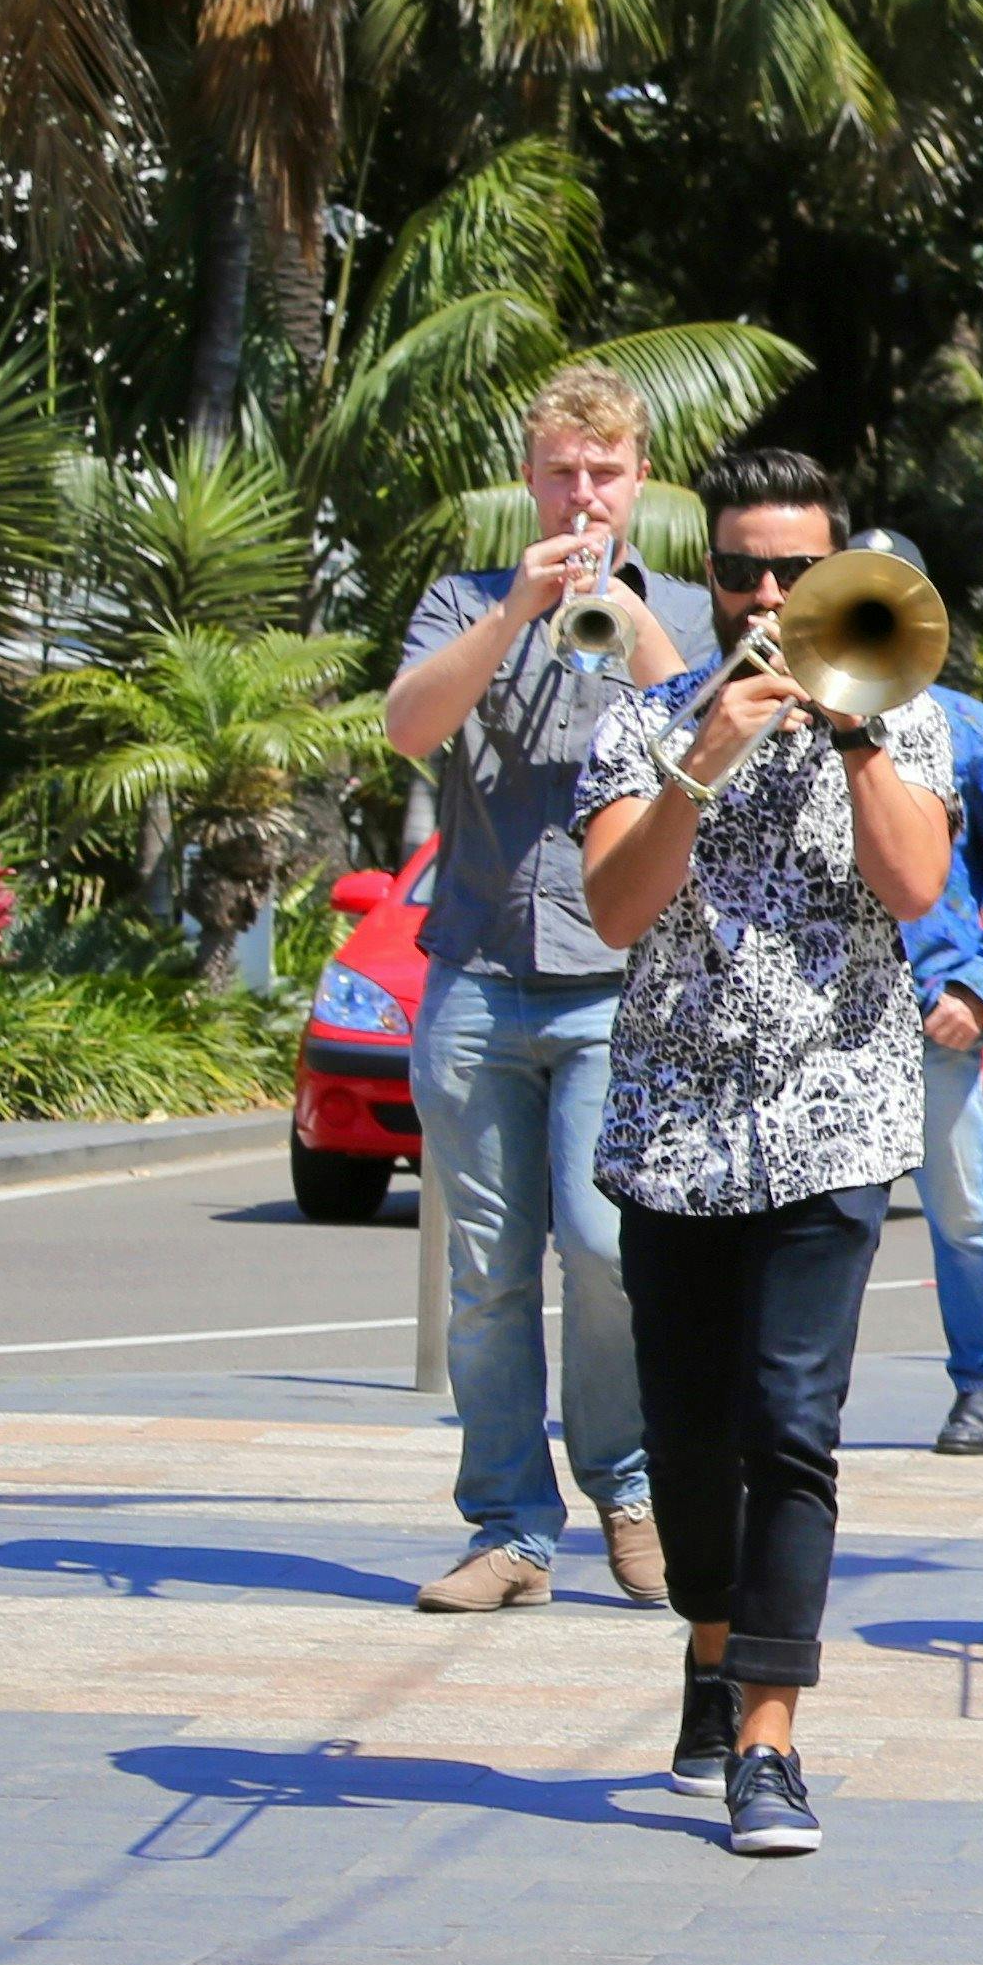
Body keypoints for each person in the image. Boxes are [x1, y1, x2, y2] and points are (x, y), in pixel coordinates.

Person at [574, 446, 953, 1855]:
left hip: (835, 1116)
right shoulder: (642, 725)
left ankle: (769, 1737)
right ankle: (711, 1642)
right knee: (687, 1445)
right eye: (745, 569)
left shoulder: (907, 724)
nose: (772, 594)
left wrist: (850, 727)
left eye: (801, 571)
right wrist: (705, 754)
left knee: (794, 1426)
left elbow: (916, 886)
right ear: (712, 574)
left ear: (839, 572)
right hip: (674, 1128)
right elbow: (616, 910)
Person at [384, 364, 708, 1613]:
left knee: (607, 1244)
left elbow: (705, 733)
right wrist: (514, 611)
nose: (583, 493)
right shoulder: (465, 598)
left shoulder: (670, 600)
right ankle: (512, 1526)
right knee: (485, 1269)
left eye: (605, 472)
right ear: (531, 476)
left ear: (638, 483)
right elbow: (411, 727)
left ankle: (627, 1491)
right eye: (563, 471)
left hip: (616, 985)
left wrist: (629, 617)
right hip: (475, 971)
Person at [872, 539, 983, 1459]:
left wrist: (980, 990)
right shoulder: (790, 717)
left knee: (963, 1213)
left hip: (932, 1019)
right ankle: (799, 1394)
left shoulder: (969, 727)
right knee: (820, 1224)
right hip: (818, 1022)